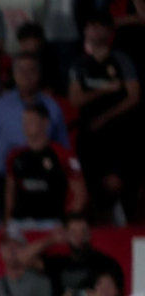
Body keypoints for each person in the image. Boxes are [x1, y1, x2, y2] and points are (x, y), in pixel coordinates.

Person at [68, 14, 140, 221]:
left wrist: (106, 117)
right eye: (90, 26)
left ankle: (126, 223)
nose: (95, 31)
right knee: (92, 187)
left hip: (121, 133)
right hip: (90, 134)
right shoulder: (79, 64)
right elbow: (75, 99)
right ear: (85, 32)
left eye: (100, 27)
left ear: (110, 32)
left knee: (119, 183)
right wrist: (106, 89)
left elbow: (134, 96)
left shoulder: (122, 60)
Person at [0, 53, 70, 181]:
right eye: (21, 70)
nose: (26, 76)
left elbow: (63, 146)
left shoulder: (52, 107)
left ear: (39, 74)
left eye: (31, 70)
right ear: (14, 74)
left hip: (45, 177)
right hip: (4, 177)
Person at [4, 104, 85, 226]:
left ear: (45, 123)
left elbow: (80, 195)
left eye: (31, 121)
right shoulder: (15, 156)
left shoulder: (64, 156)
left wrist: (68, 223)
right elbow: (10, 192)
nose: (26, 125)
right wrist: (7, 221)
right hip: (20, 222)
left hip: (52, 223)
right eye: (24, 121)